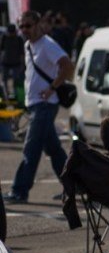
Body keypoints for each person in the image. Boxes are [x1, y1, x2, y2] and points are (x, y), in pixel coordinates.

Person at [3, 11, 73, 204]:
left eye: (28, 25)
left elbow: (67, 66)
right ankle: (74, 187)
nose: (25, 29)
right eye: (22, 26)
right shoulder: (28, 45)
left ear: (38, 25)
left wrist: (52, 87)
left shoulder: (48, 45)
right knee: (55, 151)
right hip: (35, 105)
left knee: (31, 149)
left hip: (45, 106)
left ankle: (19, 190)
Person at [0, 24, 25, 101]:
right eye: (9, 32)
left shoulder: (19, 39)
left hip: (16, 64)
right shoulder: (4, 38)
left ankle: (16, 97)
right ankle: (6, 97)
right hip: (5, 63)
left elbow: (22, 53)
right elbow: (1, 50)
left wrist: (23, 64)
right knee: (4, 80)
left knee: (16, 81)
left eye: (12, 32)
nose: (11, 34)